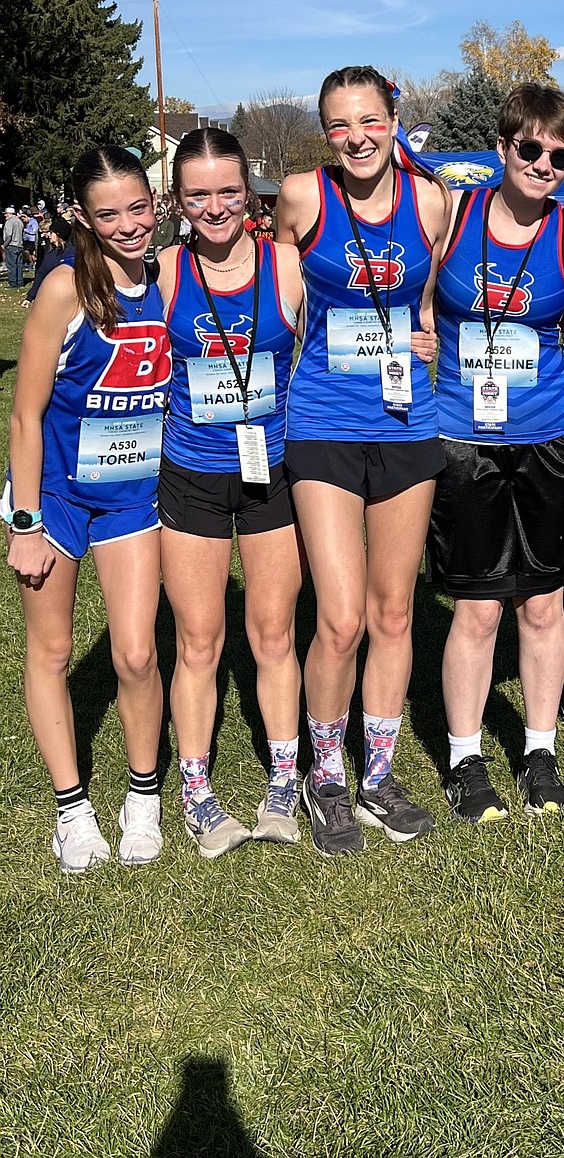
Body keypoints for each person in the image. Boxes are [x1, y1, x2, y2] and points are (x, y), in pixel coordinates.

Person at [277, 66, 449, 857]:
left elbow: (422, 299)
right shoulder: (304, 197)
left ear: (394, 119)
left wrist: (430, 339)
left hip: (408, 421)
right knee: (341, 619)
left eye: (370, 120)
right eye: (341, 124)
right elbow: (282, 303)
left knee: (393, 613)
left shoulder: (430, 201)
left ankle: (377, 771)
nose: (358, 136)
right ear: (326, 132)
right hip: (322, 422)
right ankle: (326, 775)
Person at [428, 83, 564, 822]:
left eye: (561, 154)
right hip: (464, 438)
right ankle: (465, 758)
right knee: (478, 609)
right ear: (502, 148)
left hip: (552, 434)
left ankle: (539, 749)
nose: (544, 163)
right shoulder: (453, 214)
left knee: (544, 603)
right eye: (531, 148)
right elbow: (411, 295)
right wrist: (419, 333)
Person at [5, 146, 170, 872]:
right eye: (109, 214)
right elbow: (26, 416)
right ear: (81, 217)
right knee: (52, 651)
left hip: (133, 495)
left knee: (136, 652)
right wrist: (26, 523)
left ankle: (143, 795)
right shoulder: (65, 288)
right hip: (58, 499)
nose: (130, 225)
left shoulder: (169, 279)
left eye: (139, 207)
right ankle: (72, 809)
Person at [156, 127, 304, 857]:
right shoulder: (163, 271)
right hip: (191, 474)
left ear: (248, 190)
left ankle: (283, 781)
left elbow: (339, 348)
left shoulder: (286, 265)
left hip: (271, 471)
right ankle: (197, 791)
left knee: (274, 632)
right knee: (200, 639)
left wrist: (416, 340)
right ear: (179, 201)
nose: (214, 208)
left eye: (226, 191)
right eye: (198, 195)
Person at [23, 216, 73, 305]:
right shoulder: (50, 255)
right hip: (53, 298)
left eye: (51, 233)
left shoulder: (73, 253)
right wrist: (29, 297)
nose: (48, 235)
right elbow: (40, 275)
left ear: (58, 234)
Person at [4, 204, 25, 290]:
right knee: (19, 265)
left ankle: (13, 283)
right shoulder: (20, 221)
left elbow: (9, 235)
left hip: (12, 245)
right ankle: (20, 282)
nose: (5, 215)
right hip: (19, 245)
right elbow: (23, 233)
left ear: (9, 214)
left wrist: (5, 244)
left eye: (6, 213)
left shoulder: (9, 221)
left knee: (11, 265)